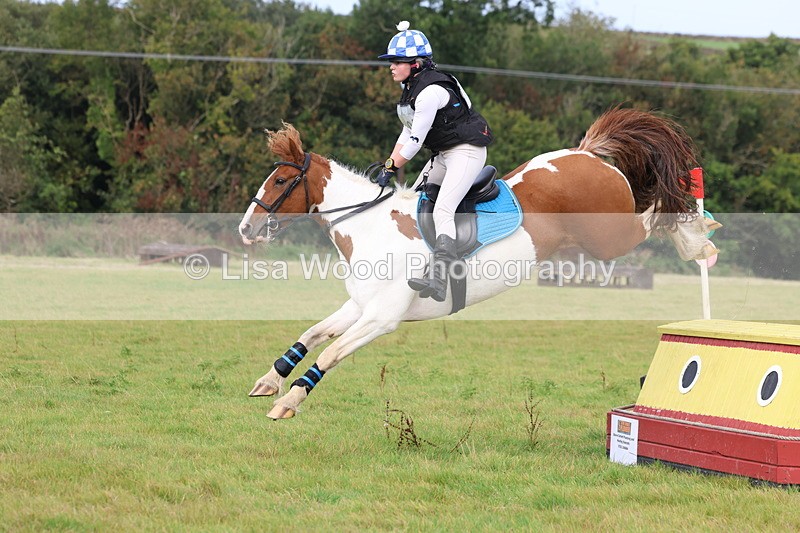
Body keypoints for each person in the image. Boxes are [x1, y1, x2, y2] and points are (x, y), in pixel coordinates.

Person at [376, 21, 494, 303]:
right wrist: (388, 163)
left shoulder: (429, 92)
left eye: (397, 61)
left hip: (467, 152)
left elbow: (415, 141)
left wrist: (393, 166)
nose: (391, 66)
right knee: (413, 199)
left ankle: (440, 278)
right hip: (444, 154)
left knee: (442, 209)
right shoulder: (411, 89)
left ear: (416, 64)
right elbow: (406, 131)